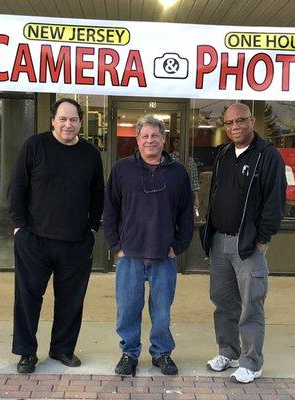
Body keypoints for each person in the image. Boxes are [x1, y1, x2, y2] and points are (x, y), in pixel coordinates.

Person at [9, 98, 104, 373]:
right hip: (34, 240)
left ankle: (62, 349)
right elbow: (17, 187)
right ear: (53, 120)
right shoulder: (34, 146)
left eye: (73, 119)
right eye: (62, 119)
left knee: (71, 300)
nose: (68, 124)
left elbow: (98, 193)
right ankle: (26, 352)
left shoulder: (90, 153)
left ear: (80, 122)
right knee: (28, 299)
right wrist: (19, 228)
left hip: (76, 242)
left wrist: (92, 229)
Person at [201, 102, 286, 384]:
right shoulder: (224, 154)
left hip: (248, 245)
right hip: (219, 243)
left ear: (252, 121)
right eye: (229, 123)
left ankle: (252, 362)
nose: (235, 127)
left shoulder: (267, 156)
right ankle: (228, 351)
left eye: (241, 121)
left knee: (251, 304)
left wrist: (263, 238)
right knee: (223, 302)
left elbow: (275, 201)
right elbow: (214, 195)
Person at [104, 114, 194, 376]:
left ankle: (162, 353)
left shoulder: (178, 173)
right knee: (128, 310)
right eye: (145, 136)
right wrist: (115, 245)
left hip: (163, 256)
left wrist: (178, 246)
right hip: (129, 255)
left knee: (162, 312)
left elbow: (186, 213)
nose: (150, 140)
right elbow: (110, 211)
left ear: (164, 139)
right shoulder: (122, 170)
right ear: (137, 139)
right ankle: (129, 353)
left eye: (155, 135)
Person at [169, 136, 201, 217]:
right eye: (176, 142)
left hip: (187, 194)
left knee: (185, 218)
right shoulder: (168, 159)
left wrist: (196, 198)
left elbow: (194, 181)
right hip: (171, 194)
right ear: (173, 144)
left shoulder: (190, 161)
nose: (178, 144)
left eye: (180, 142)